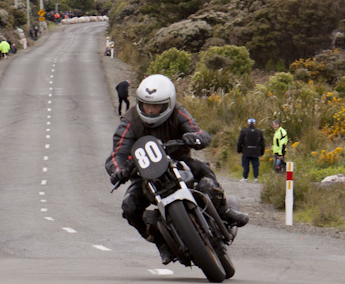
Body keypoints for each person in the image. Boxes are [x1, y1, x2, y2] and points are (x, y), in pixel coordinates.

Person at [105, 74, 248, 265]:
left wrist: (195, 137)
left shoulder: (178, 112)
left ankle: (224, 210)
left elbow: (198, 131)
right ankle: (160, 242)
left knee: (203, 171)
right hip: (145, 174)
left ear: (168, 104)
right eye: (147, 105)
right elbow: (117, 153)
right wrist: (119, 170)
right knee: (129, 207)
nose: (151, 110)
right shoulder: (130, 120)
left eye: (157, 106)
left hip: (179, 161)